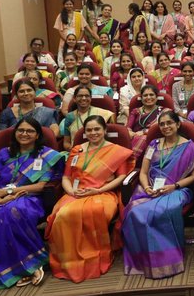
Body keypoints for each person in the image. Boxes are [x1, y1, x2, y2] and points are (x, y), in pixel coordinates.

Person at [0, 118, 63, 289]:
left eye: (30, 131)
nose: (24, 134)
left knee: (12, 213)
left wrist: (8, 193)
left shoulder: (46, 155)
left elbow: (41, 186)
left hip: (29, 197)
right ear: (15, 133)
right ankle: (2, 267)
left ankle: (29, 265)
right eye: (21, 130)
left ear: (37, 135)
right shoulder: (4, 154)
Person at [46, 115, 134, 282]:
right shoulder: (77, 150)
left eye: (97, 129)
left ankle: (94, 258)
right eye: (89, 130)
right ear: (84, 132)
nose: (93, 133)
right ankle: (69, 262)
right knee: (62, 215)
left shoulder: (116, 151)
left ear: (105, 130)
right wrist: (71, 191)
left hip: (103, 193)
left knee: (92, 211)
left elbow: (121, 177)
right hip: (76, 192)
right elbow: (66, 177)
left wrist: (97, 190)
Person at [123, 110, 194, 279]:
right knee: (133, 212)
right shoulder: (153, 145)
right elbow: (143, 172)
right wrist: (146, 187)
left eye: (169, 123)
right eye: (162, 124)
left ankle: (165, 258)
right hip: (150, 189)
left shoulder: (189, 147)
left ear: (178, 124)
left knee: (161, 211)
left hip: (178, 189)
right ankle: (143, 258)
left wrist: (174, 186)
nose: (166, 127)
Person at [128, 84, 164, 160]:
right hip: (135, 138)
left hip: (156, 139)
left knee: (144, 138)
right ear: (141, 98)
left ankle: (131, 160)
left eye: (151, 95)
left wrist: (144, 132)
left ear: (156, 97)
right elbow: (128, 128)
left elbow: (163, 128)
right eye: (145, 95)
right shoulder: (136, 111)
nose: (148, 97)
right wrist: (131, 133)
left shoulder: (163, 111)